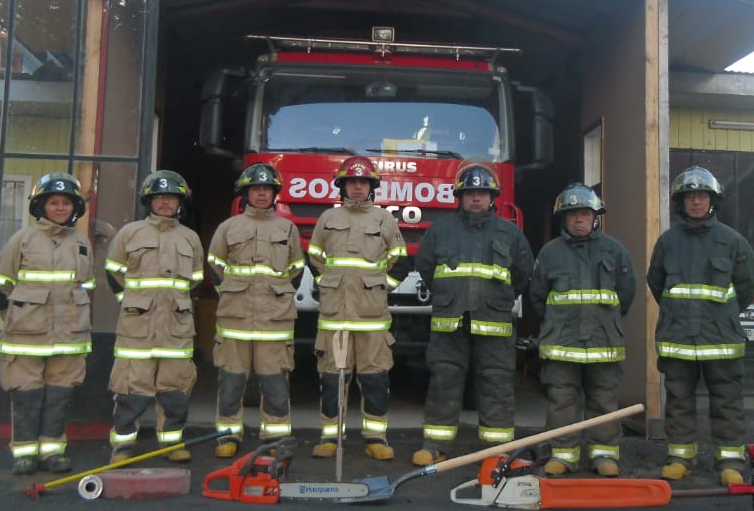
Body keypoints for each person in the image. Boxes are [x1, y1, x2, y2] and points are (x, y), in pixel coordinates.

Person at [410, 162, 533, 466]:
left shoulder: (510, 233)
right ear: (460, 197)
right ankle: (435, 445)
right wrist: (449, 295)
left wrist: (497, 299)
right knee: (443, 381)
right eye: (470, 193)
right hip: (449, 324)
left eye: (483, 193)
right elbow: (426, 267)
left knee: (496, 384)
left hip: (494, 326)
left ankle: (496, 450)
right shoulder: (441, 231)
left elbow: (522, 273)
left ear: (493, 198)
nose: (476, 198)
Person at [647, 167, 754, 485]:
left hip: (721, 339)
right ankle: (680, 457)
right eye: (689, 197)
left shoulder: (732, 241)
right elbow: (656, 283)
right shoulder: (667, 243)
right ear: (680, 203)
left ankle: (730, 461)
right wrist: (677, 313)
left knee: (727, 401)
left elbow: (747, 284)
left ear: (712, 201)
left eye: (702, 196)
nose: (695, 202)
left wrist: (723, 315)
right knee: (679, 400)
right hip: (678, 338)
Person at [528, 183, 636, 477]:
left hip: (603, 342)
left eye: (585, 213)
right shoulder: (550, 253)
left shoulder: (615, 251)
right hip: (562, 344)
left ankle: (604, 455)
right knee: (561, 400)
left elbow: (626, 293)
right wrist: (556, 323)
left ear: (595, 216)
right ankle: (563, 455)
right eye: (573, 214)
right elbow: (538, 296)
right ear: (563, 218)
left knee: (603, 399)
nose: (579, 219)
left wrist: (606, 320)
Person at [0, 173, 95, 475]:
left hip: (69, 335)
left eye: (66, 203)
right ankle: (24, 454)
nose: (60, 208)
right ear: (41, 206)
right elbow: (2, 283)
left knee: (59, 396)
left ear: (74, 207)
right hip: (26, 335)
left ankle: (52, 452)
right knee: (26, 395)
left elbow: (86, 285)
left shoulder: (81, 242)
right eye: (54, 202)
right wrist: (21, 313)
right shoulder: (23, 239)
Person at [307, 155, 408, 461]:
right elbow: (314, 256)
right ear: (342, 186)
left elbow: (400, 260)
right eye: (351, 182)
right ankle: (329, 437)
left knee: (375, 379)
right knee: (332, 379)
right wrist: (332, 284)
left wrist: (378, 288)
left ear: (372, 187)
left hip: (372, 320)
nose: (357, 187)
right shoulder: (328, 219)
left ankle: (375, 438)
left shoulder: (384, 220)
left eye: (363, 182)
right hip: (334, 317)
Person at [104, 170, 206, 462]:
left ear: (179, 202)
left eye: (171, 197)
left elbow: (196, 278)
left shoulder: (190, 238)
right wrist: (131, 302)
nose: (164, 202)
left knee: (175, 392)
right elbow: (113, 271)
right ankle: (122, 448)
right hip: (137, 329)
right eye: (159, 197)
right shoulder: (130, 233)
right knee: (130, 391)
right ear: (149, 201)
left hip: (176, 329)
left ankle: (172, 445)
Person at [206, 163, 305, 457]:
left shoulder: (287, 228)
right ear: (246, 193)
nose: (261, 194)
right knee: (232, 382)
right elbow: (215, 267)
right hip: (234, 319)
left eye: (267, 189)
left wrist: (278, 294)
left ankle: (273, 438)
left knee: (275, 382)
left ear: (274, 194)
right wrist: (232, 293)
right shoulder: (228, 227)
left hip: (275, 320)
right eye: (256, 189)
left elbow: (296, 269)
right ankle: (227, 436)